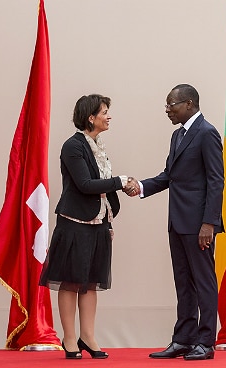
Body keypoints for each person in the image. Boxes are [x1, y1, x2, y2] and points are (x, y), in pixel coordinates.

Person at [127, 84, 224, 360]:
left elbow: (217, 181)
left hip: (199, 226)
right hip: (178, 221)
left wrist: (210, 223)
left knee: (204, 282)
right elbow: (170, 175)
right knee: (183, 282)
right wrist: (141, 187)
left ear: (189, 104)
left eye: (172, 104)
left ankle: (206, 342)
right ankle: (184, 339)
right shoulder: (177, 135)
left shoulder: (207, 133)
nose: (168, 110)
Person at [39, 94, 137, 359]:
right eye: (104, 111)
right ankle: (69, 339)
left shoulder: (98, 145)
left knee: (91, 283)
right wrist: (120, 180)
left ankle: (88, 336)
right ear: (90, 117)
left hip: (98, 223)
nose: (109, 116)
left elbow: (101, 184)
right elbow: (84, 184)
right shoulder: (73, 146)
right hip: (74, 224)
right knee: (71, 282)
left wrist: (120, 189)